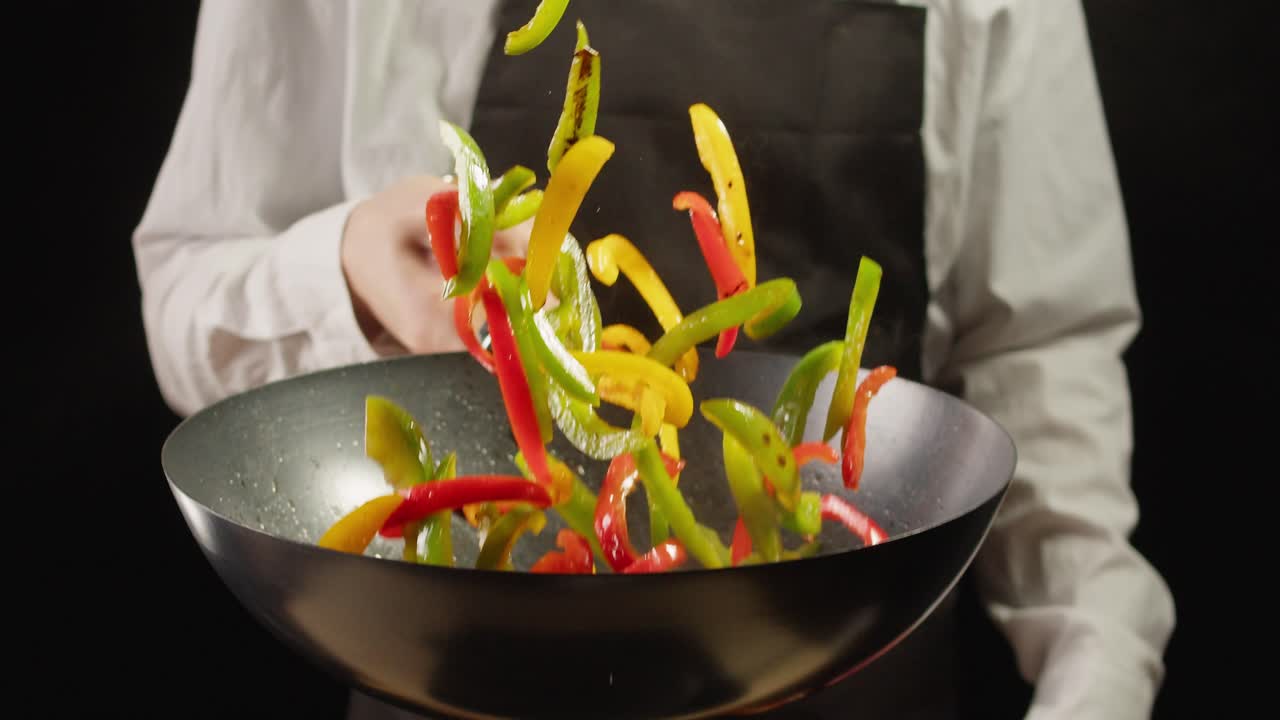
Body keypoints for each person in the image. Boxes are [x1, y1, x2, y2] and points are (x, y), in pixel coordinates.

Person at [133, 1, 1175, 718]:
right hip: (457, 680)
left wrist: (1097, 677)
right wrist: (348, 273)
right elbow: (183, 303)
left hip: (857, 682)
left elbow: (1038, 352)